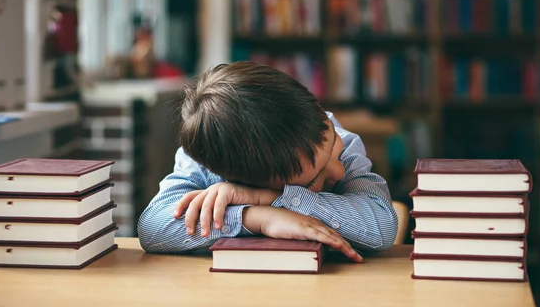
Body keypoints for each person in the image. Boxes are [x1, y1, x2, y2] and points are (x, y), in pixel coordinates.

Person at [137, 61, 398, 261]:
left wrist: (269, 197)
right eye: (316, 177)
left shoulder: (344, 141)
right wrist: (259, 217)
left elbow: (382, 225)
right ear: (236, 177)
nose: (339, 171)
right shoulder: (207, 160)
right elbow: (153, 227)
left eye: (332, 143)